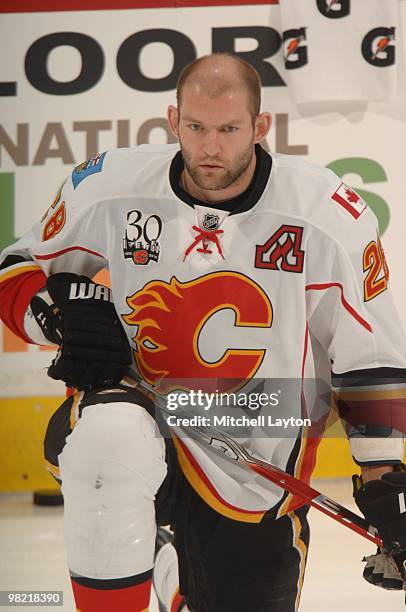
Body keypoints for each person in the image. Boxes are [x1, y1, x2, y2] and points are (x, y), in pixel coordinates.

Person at [0, 53, 405, 612]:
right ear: (173, 120)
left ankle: (167, 565)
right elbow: (16, 268)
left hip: (257, 450)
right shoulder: (108, 187)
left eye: (228, 129)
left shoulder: (326, 216)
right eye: (195, 127)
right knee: (109, 441)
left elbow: (369, 356)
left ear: (261, 128)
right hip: (138, 411)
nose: (209, 147)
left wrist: (384, 478)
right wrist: (60, 316)